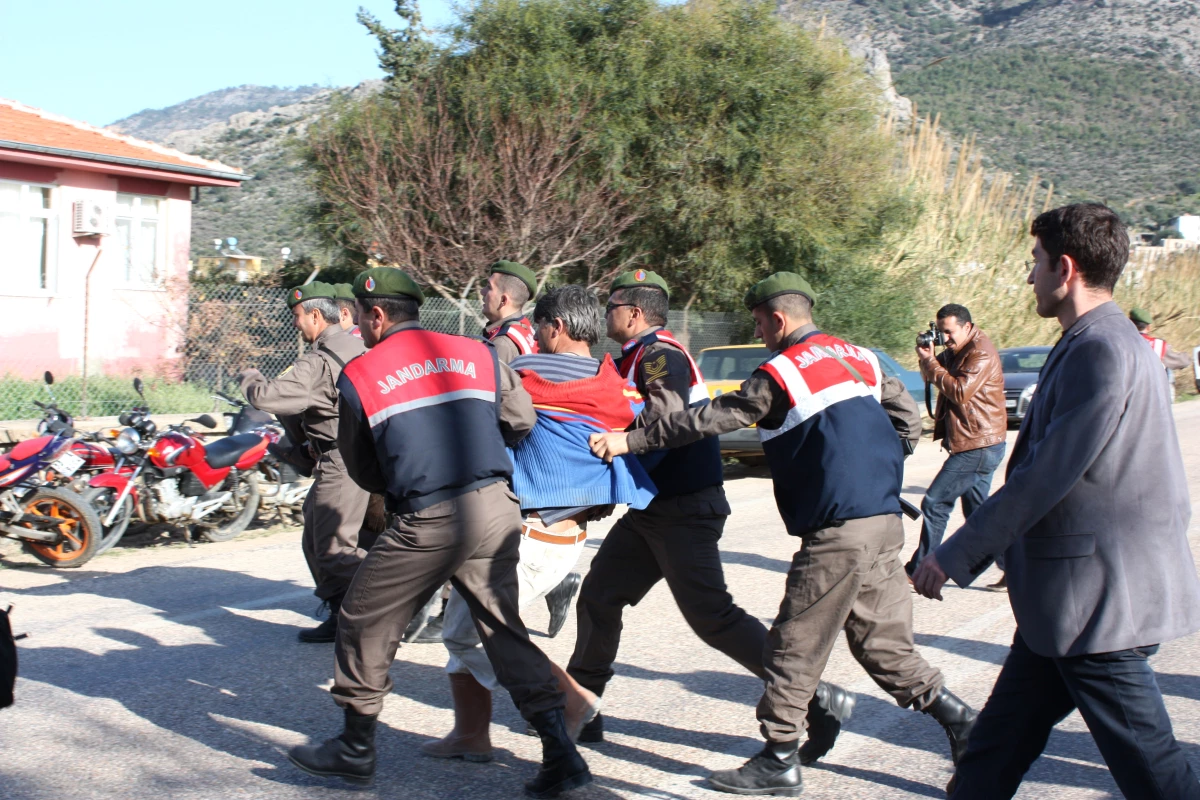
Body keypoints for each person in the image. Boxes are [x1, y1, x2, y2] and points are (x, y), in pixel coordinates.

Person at [590, 272, 978, 797]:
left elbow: (705, 419)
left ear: (777, 318)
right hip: (883, 521)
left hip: (838, 531)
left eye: (757, 323)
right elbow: (908, 421)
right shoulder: (860, 356)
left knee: (794, 645)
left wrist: (628, 441)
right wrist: (873, 469)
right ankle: (965, 725)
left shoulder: (781, 371)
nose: (759, 331)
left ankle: (778, 757)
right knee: (884, 647)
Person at [913, 203, 1200, 800]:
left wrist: (954, 553)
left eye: (1036, 262)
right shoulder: (1104, 341)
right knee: (993, 752)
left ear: (1064, 268)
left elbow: (1047, 475)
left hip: (1095, 607)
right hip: (1069, 605)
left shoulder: (1102, 349)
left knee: (1157, 774)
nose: (1029, 276)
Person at [288, 268, 591, 797]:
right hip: (496, 508)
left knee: (361, 613)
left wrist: (414, 486)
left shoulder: (360, 374)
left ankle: (355, 747)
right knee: (504, 629)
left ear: (377, 315)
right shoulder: (479, 354)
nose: (359, 327)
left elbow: (363, 468)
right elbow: (520, 420)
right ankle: (561, 755)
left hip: (429, 513)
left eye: (361, 318)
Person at [567, 269, 857, 758]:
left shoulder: (660, 357)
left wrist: (603, 476)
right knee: (598, 596)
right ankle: (582, 707)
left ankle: (815, 698)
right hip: (653, 507)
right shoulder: (637, 356)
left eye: (612, 303)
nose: (605, 311)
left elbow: (661, 423)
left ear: (634, 313)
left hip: (683, 507)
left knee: (712, 617)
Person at [423, 285, 655, 762]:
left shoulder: (525, 376)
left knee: (464, 632)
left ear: (557, 327)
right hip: (564, 538)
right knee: (473, 627)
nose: (535, 336)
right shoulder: (616, 385)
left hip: (527, 535)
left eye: (539, 327)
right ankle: (470, 734)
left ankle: (572, 697)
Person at [237, 282, 370, 643]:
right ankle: (341, 612)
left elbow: (268, 397)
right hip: (362, 455)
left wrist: (249, 377)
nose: (296, 324)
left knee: (332, 546)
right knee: (316, 536)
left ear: (315, 315)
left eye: (298, 316)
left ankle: (386, 606)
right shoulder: (360, 347)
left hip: (341, 460)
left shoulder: (318, 361)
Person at [904, 304, 1007, 577]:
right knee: (979, 514)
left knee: (935, 503)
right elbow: (933, 376)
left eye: (949, 332)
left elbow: (959, 391)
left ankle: (919, 570)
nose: (945, 339)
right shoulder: (956, 350)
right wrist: (927, 356)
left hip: (978, 445)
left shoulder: (979, 352)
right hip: (982, 442)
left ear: (967, 327)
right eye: (940, 333)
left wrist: (932, 363)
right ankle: (1015, 566)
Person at [482, 260, 540, 361]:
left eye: (489, 287)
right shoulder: (525, 328)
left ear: (503, 300)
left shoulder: (502, 344)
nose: (482, 291)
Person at [1130, 307, 1189, 402]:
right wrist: (1186, 357)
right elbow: (1182, 362)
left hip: (1130, 396)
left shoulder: (1121, 343)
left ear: (1130, 324)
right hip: (1155, 398)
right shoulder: (1159, 345)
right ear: (1148, 327)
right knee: (1166, 369)